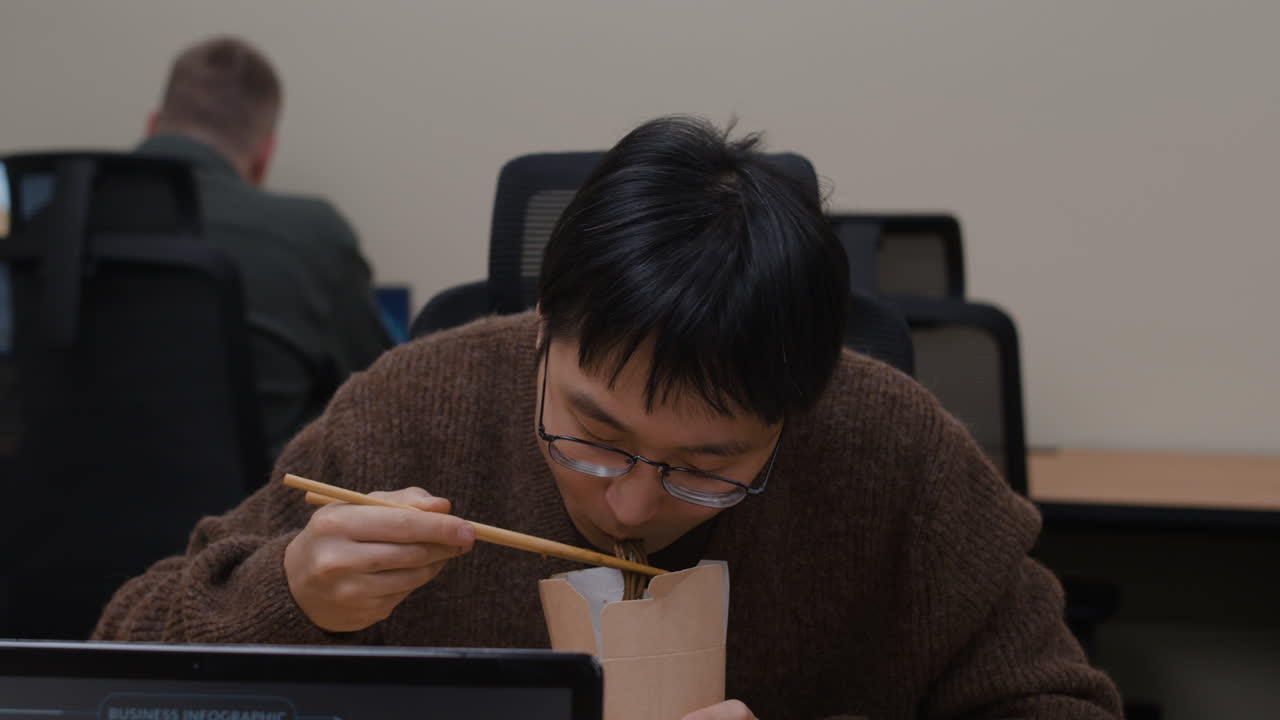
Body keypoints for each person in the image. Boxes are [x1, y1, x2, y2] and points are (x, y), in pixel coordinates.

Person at [96, 116, 1122, 719]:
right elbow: (113, 664)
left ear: (803, 405)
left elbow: (1061, 705)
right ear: (541, 331)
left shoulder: (891, 449)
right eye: (591, 435)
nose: (629, 504)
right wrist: (290, 596)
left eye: (706, 464)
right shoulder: (412, 408)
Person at [136, 36, 391, 460]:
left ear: (152, 124)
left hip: (46, 519)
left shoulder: (47, 219)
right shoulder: (313, 235)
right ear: (264, 155)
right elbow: (382, 396)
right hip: (246, 520)